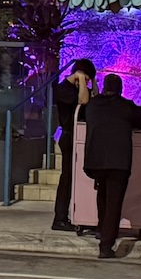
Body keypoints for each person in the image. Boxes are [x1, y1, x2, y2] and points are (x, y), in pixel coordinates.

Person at [81, 74, 141, 259]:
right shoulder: (125, 106)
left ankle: (101, 229)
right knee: (114, 203)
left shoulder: (93, 105)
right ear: (120, 89)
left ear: (104, 87)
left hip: (95, 161)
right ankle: (106, 245)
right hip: (118, 163)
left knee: (102, 195)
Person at [51, 58, 96, 231]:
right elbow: (84, 101)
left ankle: (80, 213)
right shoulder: (64, 90)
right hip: (69, 137)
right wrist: (83, 81)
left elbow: (93, 101)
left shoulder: (78, 88)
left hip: (78, 137)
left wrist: (92, 83)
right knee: (67, 177)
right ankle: (60, 217)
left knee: (76, 176)